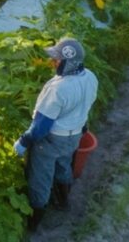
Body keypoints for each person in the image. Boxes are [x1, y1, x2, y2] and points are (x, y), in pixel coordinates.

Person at [15, 36, 99, 230]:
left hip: (52, 139)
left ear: (69, 63)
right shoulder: (90, 77)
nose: (52, 62)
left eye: (57, 59)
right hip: (75, 135)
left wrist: (23, 142)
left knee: (40, 178)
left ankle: (34, 222)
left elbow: (42, 125)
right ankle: (63, 201)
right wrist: (82, 128)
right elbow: (86, 106)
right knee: (63, 166)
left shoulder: (58, 88)